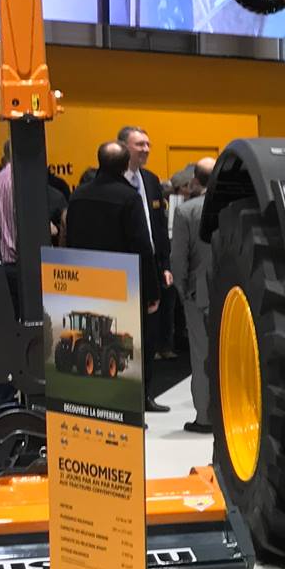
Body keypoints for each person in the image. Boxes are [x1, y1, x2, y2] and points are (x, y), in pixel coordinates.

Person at [65, 142, 161, 364]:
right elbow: (142, 247)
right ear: (125, 165)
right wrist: (151, 291)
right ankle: (141, 397)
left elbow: (71, 240)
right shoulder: (129, 198)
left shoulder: (78, 196)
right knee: (135, 343)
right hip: (124, 284)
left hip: (86, 283)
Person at [117, 125, 173, 410]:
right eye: (140, 144)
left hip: (151, 267)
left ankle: (146, 396)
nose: (146, 149)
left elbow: (160, 227)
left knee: (150, 336)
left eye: (148, 144)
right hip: (122, 270)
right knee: (125, 337)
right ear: (124, 147)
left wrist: (164, 264)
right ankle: (127, 399)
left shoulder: (150, 181)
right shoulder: (114, 182)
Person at [170, 158, 216, 432]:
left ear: (196, 180)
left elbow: (179, 259)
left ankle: (206, 418)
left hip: (200, 293)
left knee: (202, 356)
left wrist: (182, 288)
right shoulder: (238, 209)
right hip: (236, 290)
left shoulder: (187, 212)